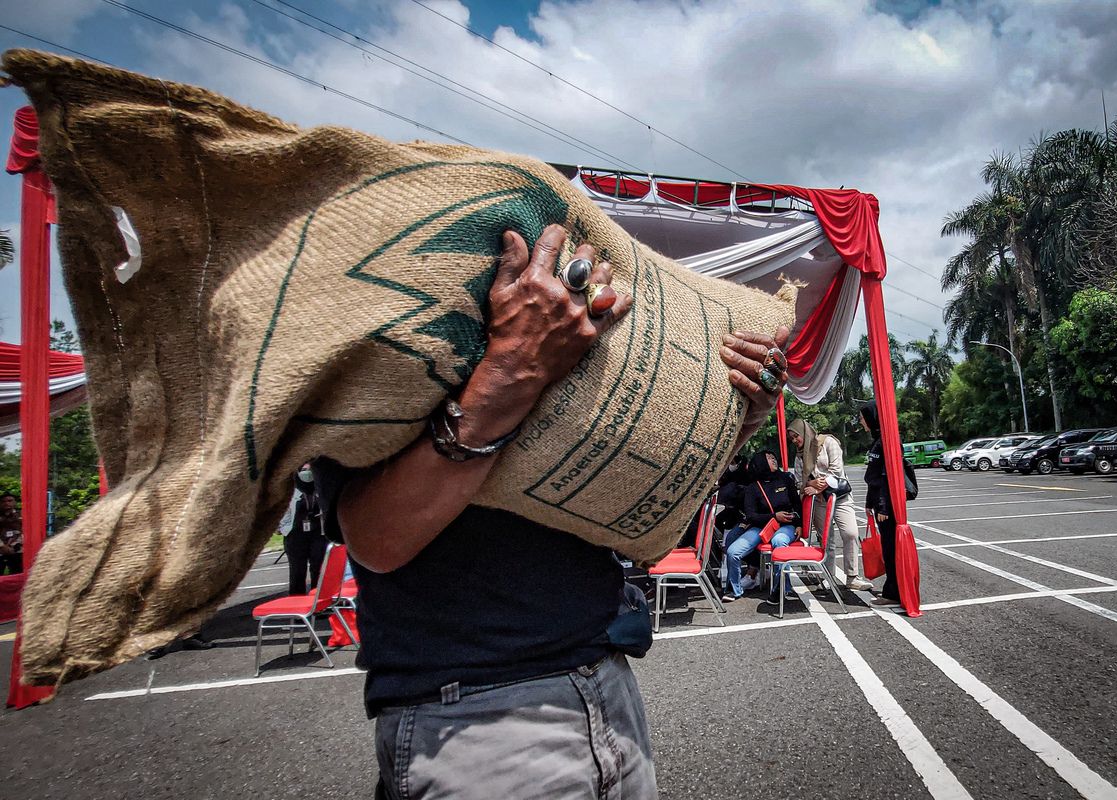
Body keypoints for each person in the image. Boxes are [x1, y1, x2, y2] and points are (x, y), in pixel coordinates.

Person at [308, 224, 789, 800]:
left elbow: (650, 516)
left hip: (610, 687)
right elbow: (377, 539)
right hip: (476, 723)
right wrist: (514, 370)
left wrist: (738, 414)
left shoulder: (578, 345)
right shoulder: (382, 342)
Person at [788, 420, 873, 591]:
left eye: (796, 436)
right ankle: (828, 575)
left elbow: (836, 470)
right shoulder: (799, 456)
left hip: (840, 496)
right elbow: (799, 482)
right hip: (819, 500)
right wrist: (811, 484)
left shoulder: (828, 442)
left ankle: (852, 576)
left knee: (850, 533)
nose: (794, 440)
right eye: (791, 438)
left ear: (805, 431)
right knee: (827, 540)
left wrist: (818, 483)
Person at [722, 450, 801, 602]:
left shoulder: (786, 479)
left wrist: (799, 524)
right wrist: (773, 516)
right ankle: (734, 590)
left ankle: (780, 589)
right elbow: (751, 515)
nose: (774, 460)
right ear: (760, 462)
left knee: (779, 541)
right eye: (769, 458)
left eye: (774, 457)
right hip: (761, 527)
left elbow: (797, 504)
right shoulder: (753, 487)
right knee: (733, 551)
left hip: (786, 526)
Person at [861, 401, 902, 607]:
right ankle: (891, 589)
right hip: (878, 502)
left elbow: (887, 477)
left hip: (887, 506)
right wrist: (869, 502)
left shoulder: (886, 441)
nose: (861, 421)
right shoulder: (877, 440)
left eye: (863, 417)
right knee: (888, 549)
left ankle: (893, 593)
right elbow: (873, 476)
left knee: (891, 549)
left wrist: (883, 506)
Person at [278, 463, 328, 595]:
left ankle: (319, 599)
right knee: (297, 570)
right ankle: (296, 599)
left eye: (310, 470)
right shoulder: (291, 490)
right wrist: (282, 528)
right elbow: (282, 511)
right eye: (304, 470)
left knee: (318, 568)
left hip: (318, 534)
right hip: (295, 535)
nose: (307, 473)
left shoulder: (320, 488)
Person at [0, 492, 22, 575]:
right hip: (1, 549)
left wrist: (14, 546)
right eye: (3, 501)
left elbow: (25, 531)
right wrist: (2, 546)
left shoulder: (21, 515)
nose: (6, 503)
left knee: (18, 574)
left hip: (17, 549)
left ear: (15, 502)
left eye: (10, 501)